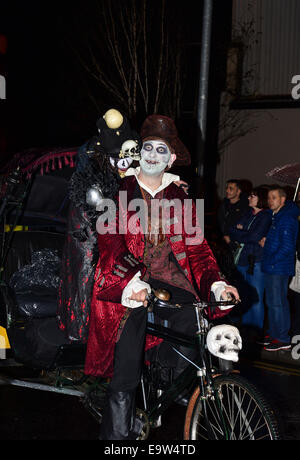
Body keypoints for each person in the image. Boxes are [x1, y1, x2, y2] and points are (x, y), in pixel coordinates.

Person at [84, 114, 240, 440]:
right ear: (140, 153)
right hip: (124, 282)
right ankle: (115, 438)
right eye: (148, 147)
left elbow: (198, 251)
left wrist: (216, 283)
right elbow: (110, 246)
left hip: (171, 282)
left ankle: (159, 388)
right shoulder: (117, 191)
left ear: (170, 159)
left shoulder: (182, 199)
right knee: (126, 367)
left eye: (161, 150)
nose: (153, 154)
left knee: (196, 326)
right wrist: (133, 284)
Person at [229, 187, 271, 339]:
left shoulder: (266, 216)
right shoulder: (249, 213)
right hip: (242, 259)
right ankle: (246, 330)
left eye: (252, 196)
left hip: (256, 261)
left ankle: (257, 332)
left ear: (260, 198)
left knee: (256, 297)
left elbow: (254, 236)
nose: (249, 198)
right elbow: (232, 230)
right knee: (245, 296)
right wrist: (244, 233)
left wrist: (242, 233)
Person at [261, 186, 300, 351]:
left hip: (278, 267)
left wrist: (271, 260)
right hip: (273, 266)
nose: (270, 201)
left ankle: (282, 338)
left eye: (274, 197)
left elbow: (287, 247)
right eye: (269, 197)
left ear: (283, 199)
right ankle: (275, 332)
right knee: (273, 302)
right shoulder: (278, 216)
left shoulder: (286, 219)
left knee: (278, 302)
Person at [217, 179, 250, 247]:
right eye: (227, 188)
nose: (227, 191)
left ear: (238, 192)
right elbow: (220, 222)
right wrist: (224, 235)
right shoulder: (224, 204)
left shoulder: (245, 207)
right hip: (222, 241)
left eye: (231, 189)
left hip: (236, 242)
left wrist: (231, 241)